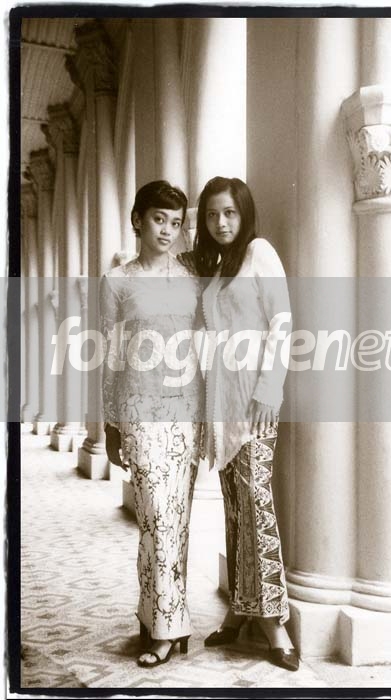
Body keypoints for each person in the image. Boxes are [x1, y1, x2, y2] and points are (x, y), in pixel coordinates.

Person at [193, 176, 299, 672]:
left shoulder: (260, 253)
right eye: (213, 214)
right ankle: (238, 608)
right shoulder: (214, 270)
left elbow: (282, 322)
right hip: (221, 405)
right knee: (234, 509)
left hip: (255, 403)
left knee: (257, 505)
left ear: (244, 214)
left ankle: (274, 622)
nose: (221, 222)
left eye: (230, 213)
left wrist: (268, 389)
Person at [100, 181, 203, 668]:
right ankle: (166, 626)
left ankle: (157, 619)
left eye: (176, 222)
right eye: (159, 219)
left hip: (186, 414)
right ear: (138, 219)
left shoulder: (192, 277)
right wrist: (111, 424)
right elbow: (110, 356)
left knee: (174, 522)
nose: (167, 230)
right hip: (139, 414)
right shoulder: (116, 281)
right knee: (155, 518)